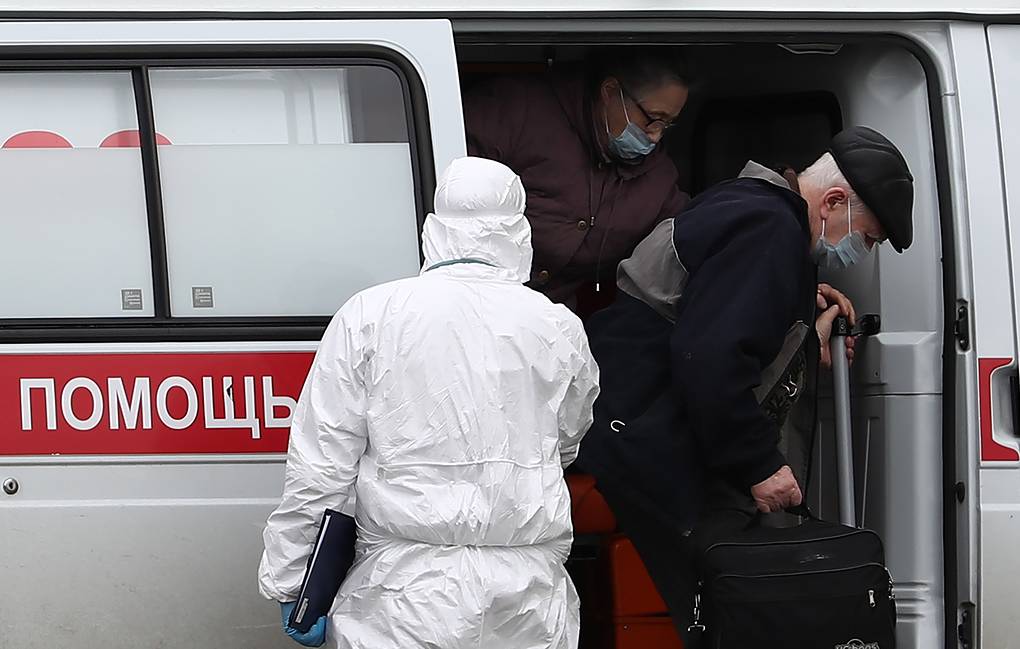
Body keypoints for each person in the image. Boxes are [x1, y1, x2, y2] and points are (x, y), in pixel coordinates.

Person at [574, 126, 914, 640]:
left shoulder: (755, 210)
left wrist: (806, 333)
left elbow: (722, 318)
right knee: (725, 611)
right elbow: (711, 357)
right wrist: (760, 465)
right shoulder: (768, 231)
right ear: (833, 201)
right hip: (645, 440)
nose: (862, 250)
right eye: (867, 237)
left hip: (633, 428)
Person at [258, 157, 600, 649]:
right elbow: (564, 442)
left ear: (434, 228)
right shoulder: (558, 326)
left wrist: (293, 580)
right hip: (526, 594)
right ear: (520, 232)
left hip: (402, 595)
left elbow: (321, 465)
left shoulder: (371, 314)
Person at [464, 48, 691, 310]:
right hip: (471, 300)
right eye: (653, 119)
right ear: (610, 92)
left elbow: (683, 240)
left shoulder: (658, 179)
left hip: (554, 319)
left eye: (667, 124)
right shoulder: (513, 111)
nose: (656, 136)